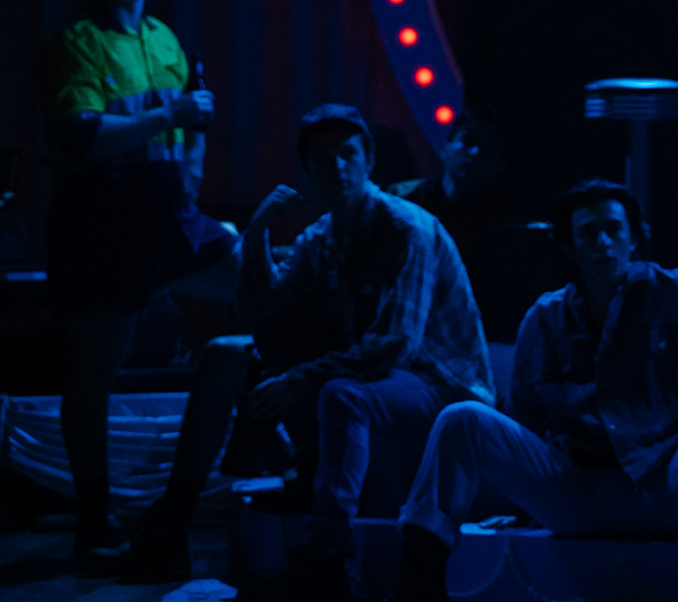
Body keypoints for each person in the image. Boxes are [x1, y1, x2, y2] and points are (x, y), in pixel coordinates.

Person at [121, 105, 495, 594]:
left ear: (368, 159)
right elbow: (264, 316)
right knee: (226, 354)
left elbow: (396, 346)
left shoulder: (406, 227)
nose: (336, 167)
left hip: (439, 387)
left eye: (346, 154)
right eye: (321, 159)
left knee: (340, 392)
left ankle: (327, 553)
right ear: (308, 172)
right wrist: (257, 234)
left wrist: (296, 381)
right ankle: (175, 516)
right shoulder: (322, 236)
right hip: (378, 379)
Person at [395, 180, 678, 602]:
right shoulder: (546, 317)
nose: (603, 243)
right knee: (462, 418)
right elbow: (523, 417)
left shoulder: (677, 294)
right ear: (569, 248)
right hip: (575, 491)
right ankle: (420, 579)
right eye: (588, 233)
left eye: (613, 230)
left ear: (633, 239)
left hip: (662, 487)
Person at [44, 0, 235, 574]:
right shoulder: (78, 42)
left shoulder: (164, 38)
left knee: (263, 285)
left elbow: (191, 125)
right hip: (104, 220)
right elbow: (82, 138)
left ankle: (231, 458)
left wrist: (191, 178)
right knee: (95, 374)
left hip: (168, 214)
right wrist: (170, 114)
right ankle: (95, 518)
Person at [388, 107, 535, 342]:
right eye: (468, 140)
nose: (475, 152)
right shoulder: (404, 200)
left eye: (489, 147)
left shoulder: (504, 224)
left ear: (500, 164)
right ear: (447, 147)